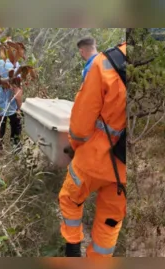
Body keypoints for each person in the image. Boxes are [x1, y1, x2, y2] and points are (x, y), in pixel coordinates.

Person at [58, 37, 126, 257]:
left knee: (70, 199)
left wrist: (75, 146)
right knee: (110, 221)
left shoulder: (105, 63)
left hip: (94, 159)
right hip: (124, 171)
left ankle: (73, 250)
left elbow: (81, 123)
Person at [0, 55, 23, 152]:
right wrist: (20, 108)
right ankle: (16, 152)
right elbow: (17, 89)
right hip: (11, 106)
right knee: (16, 132)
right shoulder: (14, 66)